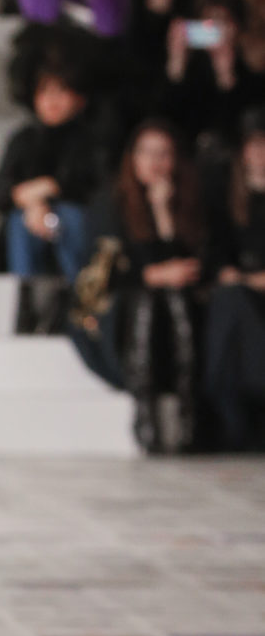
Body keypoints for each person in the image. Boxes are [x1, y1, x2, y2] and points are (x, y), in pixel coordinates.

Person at [92, 118, 207, 454]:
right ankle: (145, 408)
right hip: (119, 308)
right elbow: (103, 274)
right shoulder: (109, 203)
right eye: (147, 153)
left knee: (173, 297)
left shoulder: (188, 200)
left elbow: (194, 264)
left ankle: (187, 408)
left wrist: (163, 215)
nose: (155, 162)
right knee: (148, 298)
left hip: (178, 307)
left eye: (163, 153)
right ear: (133, 157)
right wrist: (150, 276)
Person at [0, 45, 111, 331]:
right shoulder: (24, 140)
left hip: (75, 228)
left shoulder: (91, 141)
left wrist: (51, 188)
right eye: (45, 92)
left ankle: (76, 298)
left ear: (79, 98)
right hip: (32, 226)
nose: (52, 100)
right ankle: (27, 300)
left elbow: (97, 190)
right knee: (21, 221)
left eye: (61, 91)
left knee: (67, 217)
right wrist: (30, 199)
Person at [205, 109, 265, 447]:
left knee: (233, 305)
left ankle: (232, 422)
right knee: (230, 301)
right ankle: (234, 417)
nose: (260, 154)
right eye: (254, 145)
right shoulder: (227, 195)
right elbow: (217, 253)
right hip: (241, 291)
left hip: (251, 291)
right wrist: (230, 274)